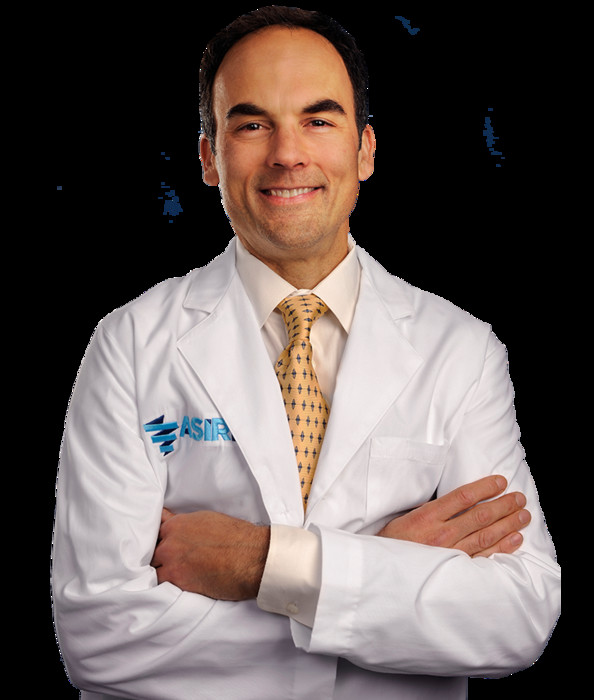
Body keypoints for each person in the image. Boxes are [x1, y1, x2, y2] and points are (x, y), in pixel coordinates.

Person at [52, 7, 560, 699]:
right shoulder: (131, 345)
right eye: (251, 125)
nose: (287, 154)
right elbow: (101, 637)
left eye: (319, 120)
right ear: (208, 158)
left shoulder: (461, 352)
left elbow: (515, 617)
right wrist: (384, 577)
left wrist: (262, 564)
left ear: (365, 150)